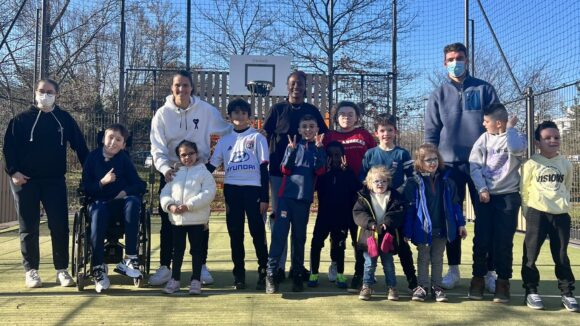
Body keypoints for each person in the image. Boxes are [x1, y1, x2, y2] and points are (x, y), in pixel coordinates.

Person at [424, 42, 500, 290]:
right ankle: (454, 269)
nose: (456, 62)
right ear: (444, 63)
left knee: (486, 218)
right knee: (451, 218)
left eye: (460, 57)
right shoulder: (438, 94)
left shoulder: (485, 89)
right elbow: (431, 132)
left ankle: (488, 271)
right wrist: (430, 162)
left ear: (467, 60)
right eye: (451, 58)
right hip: (450, 166)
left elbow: (498, 125)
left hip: (482, 165)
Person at [3, 78, 89, 288]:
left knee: (59, 226)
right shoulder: (20, 120)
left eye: (50, 92)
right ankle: (31, 270)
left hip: (54, 181)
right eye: (42, 91)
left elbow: (80, 145)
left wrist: (91, 169)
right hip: (26, 181)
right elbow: (8, 148)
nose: (45, 95)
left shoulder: (64, 119)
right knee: (28, 227)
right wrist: (14, 173)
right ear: (35, 93)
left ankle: (62, 269)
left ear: (56, 95)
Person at [149, 70, 231, 286]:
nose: (181, 89)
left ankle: (201, 266)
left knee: (200, 221)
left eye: (185, 85)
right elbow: (157, 147)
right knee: (169, 222)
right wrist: (165, 168)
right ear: (172, 88)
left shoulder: (205, 110)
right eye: (177, 85)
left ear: (191, 88)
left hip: (198, 173)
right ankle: (166, 267)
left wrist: (247, 135)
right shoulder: (162, 114)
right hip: (172, 173)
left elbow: (227, 130)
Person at [263, 70, 328, 283]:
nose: (296, 87)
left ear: (305, 86)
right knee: (280, 223)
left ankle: (296, 267)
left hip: (302, 176)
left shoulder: (311, 110)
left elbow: (323, 135)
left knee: (299, 224)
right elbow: (264, 134)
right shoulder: (277, 109)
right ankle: (278, 267)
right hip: (278, 173)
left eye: (299, 84)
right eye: (292, 83)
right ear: (287, 85)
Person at [208, 98, 269, 290]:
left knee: (257, 232)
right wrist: (192, 173)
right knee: (235, 234)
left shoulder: (258, 138)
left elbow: (264, 169)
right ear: (230, 116)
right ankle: (239, 275)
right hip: (232, 190)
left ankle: (264, 271)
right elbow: (211, 165)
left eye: (243, 113)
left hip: (253, 190)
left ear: (249, 116)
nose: (240, 116)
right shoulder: (225, 140)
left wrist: (265, 197)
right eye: (236, 113)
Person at [468, 104, 526, 303]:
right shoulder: (483, 139)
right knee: (482, 239)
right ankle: (478, 278)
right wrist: (482, 189)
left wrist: (509, 129)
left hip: (508, 196)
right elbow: (474, 166)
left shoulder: (515, 136)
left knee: (503, 242)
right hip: (486, 196)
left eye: (486, 121)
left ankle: (503, 282)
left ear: (498, 123)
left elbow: (517, 149)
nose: (483, 124)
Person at [81, 123, 147, 293]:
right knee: (98, 211)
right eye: (111, 137)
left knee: (133, 201)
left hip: (120, 206)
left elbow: (139, 184)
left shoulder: (124, 159)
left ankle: (131, 259)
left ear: (124, 144)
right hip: (99, 204)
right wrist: (102, 182)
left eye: (119, 140)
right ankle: (98, 267)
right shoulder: (92, 158)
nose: (113, 142)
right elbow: (86, 188)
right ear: (103, 138)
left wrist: (124, 192)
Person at [520, 121, 578, 312]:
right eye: (547, 138)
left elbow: (566, 186)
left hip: (560, 215)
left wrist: (561, 204)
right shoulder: (531, 164)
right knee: (531, 254)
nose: (553, 141)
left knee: (561, 255)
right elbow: (524, 190)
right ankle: (531, 290)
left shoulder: (566, 164)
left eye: (556, 137)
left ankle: (567, 293)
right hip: (537, 214)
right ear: (538, 142)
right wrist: (529, 211)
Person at [265, 114, 326, 294]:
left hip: (303, 200)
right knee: (279, 236)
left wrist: (320, 150)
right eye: (304, 126)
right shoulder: (292, 146)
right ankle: (271, 273)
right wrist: (291, 152)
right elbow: (285, 169)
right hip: (286, 199)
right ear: (299, 130)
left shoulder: (318, 149)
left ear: (316, 129)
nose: (308, 129)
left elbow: (320, 170)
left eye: (311, 126)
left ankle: (297, 273)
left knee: (299, 238)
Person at [359, 113, 418, 293]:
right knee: (368, 246)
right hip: (375, 210)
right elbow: (363, 179)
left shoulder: (402, 153)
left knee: (402, 247)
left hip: (395, 209)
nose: (386, 134)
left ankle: (413, 283)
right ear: (376, 133)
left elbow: (412, 179)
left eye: (390, 130)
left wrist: (398, 195)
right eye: (382, 130)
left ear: (396, 132)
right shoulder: (370, 154)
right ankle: (364, 281)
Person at [403, 144, 467, 302]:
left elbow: (455, 205)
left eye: (435, 159)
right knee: (423, 258)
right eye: (427, 160)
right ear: (420, 162)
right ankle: (422, 287)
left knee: (438, 258)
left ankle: (437, 287)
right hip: (422, 229)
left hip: (442, 228)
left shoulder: (448, 182)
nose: (432, 163)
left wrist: (461, 224)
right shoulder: (414, 183)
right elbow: (410, 210)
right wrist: (407, 231)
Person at [322, 101, 375, 289]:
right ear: (336, 118)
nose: (346, 117)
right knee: (337, 233)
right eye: (342, 114)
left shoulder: (364, 135)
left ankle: (362, 270)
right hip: (336, 192)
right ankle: (335, 264)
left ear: (357, 117)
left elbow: (373, 160)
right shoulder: (329, 137)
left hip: (359, 191)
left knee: (359, 233)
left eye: (350, 113)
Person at [159, 140, 217, 294]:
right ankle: (175, 279)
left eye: (190, 153)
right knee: (177, 250)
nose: (187, 157)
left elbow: (208, 193)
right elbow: (165, 193)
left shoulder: (203, 172)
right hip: (177, 220)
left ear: (196, 154)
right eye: (183, 155)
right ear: (179, 157)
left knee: (197, 250)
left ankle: (196, 280)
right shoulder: (175, 174)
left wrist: (189, 205)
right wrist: (170, 206)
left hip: (197, 220)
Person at [308, 141, 360, 289]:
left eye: (337, 155)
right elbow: (314, 186)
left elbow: (358, 188)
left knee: (339, 246)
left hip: (342, 217)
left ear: (343, 157)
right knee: (316, 243)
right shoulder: (322, 175)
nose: (335, 159)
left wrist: (347, 171)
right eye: (330, 156)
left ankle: (340, 274)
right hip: (324, 217)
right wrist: (324, 169)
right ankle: (314, 273)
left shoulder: (348, 174)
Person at [353, 165, 406, 301]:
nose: (380, 184)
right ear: (370, 183)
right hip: (369, 236)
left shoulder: (394, 196)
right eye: (376, 181)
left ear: (388, 182)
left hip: (387, 236)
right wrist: (371, 224)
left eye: (383, 181)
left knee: (388, 263)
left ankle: (392, 287)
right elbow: (358, 213)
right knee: (369, 263)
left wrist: (386, 223)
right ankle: (367, 286)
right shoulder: (363, 197)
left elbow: (398, 212)